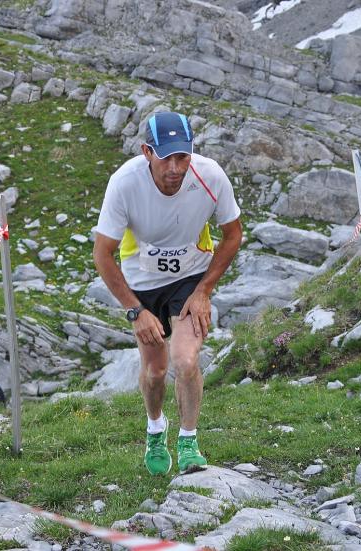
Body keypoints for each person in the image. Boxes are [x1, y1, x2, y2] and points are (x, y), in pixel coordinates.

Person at [93, 111, 243, 475]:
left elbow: (233, 234)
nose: (175, 168)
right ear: (147, 152)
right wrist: (134, 311)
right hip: (142, 282)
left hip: (190, 277)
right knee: (156, 371)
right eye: (166, 158)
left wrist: (204, 290)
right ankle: (155, 429)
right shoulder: (124, 183)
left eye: (183, 157)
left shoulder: (210, 176)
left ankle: (189, 441)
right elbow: (102, 254)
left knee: (186, 361)